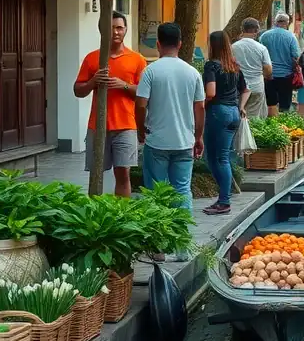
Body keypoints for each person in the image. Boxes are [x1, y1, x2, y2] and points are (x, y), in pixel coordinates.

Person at [73, 11, 147, 197]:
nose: (116, 32)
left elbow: (144, 93)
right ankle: (97, 217)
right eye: (111, 28)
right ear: (102, 31)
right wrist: (92, 82)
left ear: (125, 30)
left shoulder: (137, 59)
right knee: (96, 175)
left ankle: (121, 216)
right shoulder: (92, 58)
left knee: (123, 174)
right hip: (97, 127)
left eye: (119, 28)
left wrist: (124, 86)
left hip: (126, 126)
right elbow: (77, 91)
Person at [135, 23, 205, 212]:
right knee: (182, 189)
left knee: (155, 191)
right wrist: (198, 137)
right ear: (180, 44)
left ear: (158, 44)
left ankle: (159, 231)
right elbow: (200, 107)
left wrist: (140, 129)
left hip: (157, 141)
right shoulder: (193, 73)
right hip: (184, 141)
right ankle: (182, 234)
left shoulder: (150, 71)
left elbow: (141, 104)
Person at [202, 31, 251, 216]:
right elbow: (246, 90)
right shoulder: (234, 66)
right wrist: (240, 106)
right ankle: (223, 198)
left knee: (215, 158)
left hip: (218, 112)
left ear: (212, 45)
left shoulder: (211, 66)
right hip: (233, 113)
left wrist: (200, 106)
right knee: (223, 157)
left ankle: (224, 201)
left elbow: (211, 92)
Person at [232, 17, 273, 120]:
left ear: (242, 29)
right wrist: (263, 75)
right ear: (256, 30)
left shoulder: (233, 47)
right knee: (254, 119)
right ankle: (252, 136)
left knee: (239, 117)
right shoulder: (261, 48)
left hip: (238, 87)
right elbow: (268, 69)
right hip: (256, 86)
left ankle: (240, 136)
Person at [259, 13, 300, 116]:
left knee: (270, 103)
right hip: (286, 75)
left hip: (268, 75)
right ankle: (284, 126)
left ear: (275, 22)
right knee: (285, 104)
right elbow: (296, 55)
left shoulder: (264, 36)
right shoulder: (291, 36)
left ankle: (273, 125)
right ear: (287, 23)